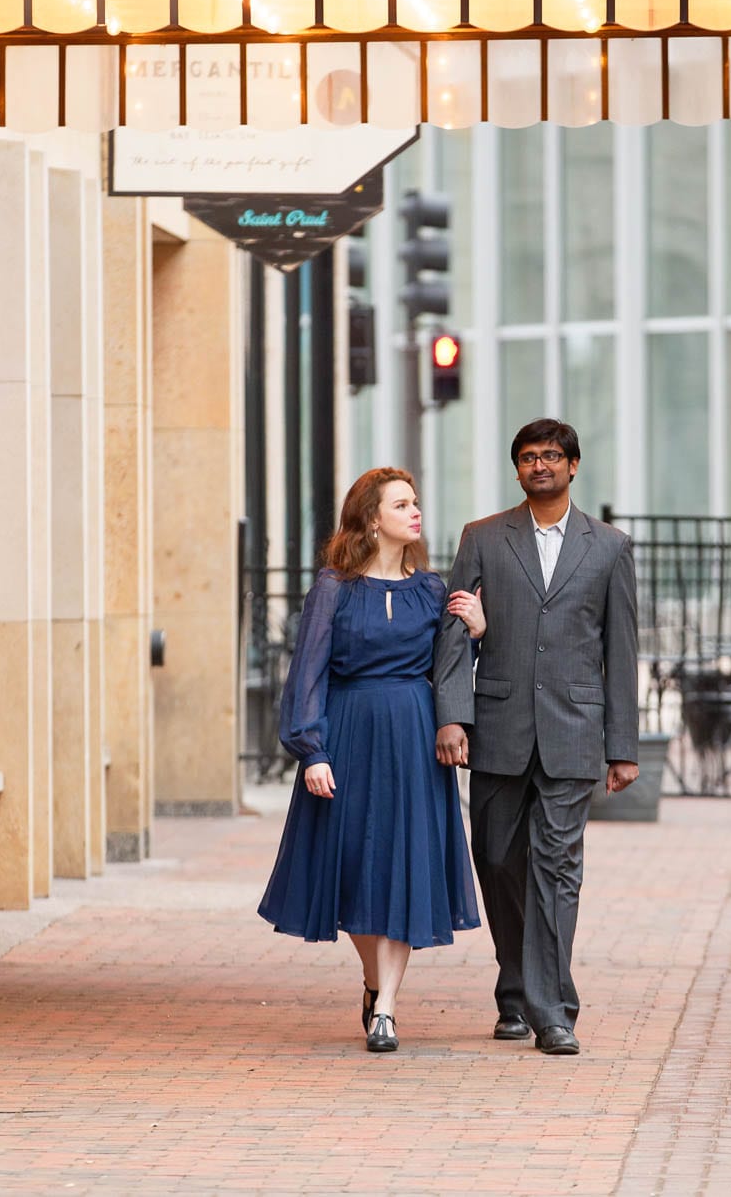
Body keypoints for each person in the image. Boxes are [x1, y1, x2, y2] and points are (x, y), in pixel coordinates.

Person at [258, 467, 482, 1053]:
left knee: (406, 863)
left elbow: (451, 668)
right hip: (350, 732)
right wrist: (312, 751)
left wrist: (479, 631)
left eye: (415, 503)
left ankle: (386, 1007)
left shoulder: (432, 590)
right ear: (371, 517)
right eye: (401, 504)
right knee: (356, 867)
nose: (415, 513)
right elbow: (307, 672)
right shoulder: (334, 588)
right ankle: (371, 978)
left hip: (413, 736)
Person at [433, 418, 639, 1056]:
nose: (540, 465)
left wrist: (622, 746)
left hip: (574, 731)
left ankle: (554, 1012)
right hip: (497, 727)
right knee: (496, 860)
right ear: (516, 469)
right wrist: (451, 715)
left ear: (574, 465)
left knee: (557, 866)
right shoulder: (483, 538)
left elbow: (622, 650)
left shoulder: (608, 547)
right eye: (528, 457)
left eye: (552, 456)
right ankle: (516, 988)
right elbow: (452, 633)